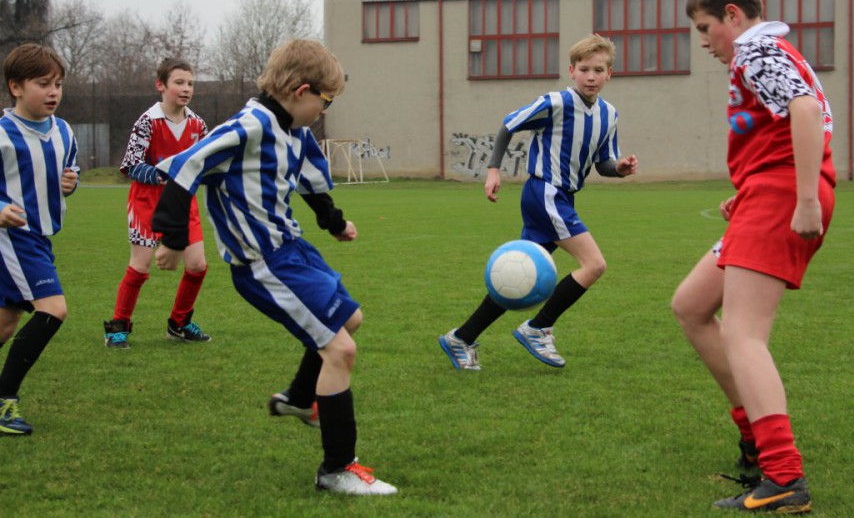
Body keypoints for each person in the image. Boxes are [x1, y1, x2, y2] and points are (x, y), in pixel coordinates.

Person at [151, 39, 396, 496]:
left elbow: (312, 180)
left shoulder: (294, 132)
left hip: (293, 249)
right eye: (325, 101)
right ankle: (337, 469)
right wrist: (172, 239)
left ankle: (300, 400)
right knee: (339, 351)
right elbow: (187, 165)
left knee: (350, 319)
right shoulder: (248, 127)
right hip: (263, 264)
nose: (324, 111)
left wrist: (334, 221)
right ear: (301, 91)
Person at [673, 0, 835, 513]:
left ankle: (784, 475)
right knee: (692, 305)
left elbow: (808, 113)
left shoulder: (755, 52)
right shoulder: (770, 52)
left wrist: (805, 197)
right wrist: (749, 193)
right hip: (769, 193)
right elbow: (789, 122)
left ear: (733, 17)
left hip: (785, 196)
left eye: (704, 28)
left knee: (744, 334)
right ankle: (752, 440)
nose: (703, 42)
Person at [439, 33, 638, 371]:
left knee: (523, 276)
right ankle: (538, 327)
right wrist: (492, 170)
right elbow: (508, 124)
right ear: (571, 71)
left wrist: (619, 168)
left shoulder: (609, 115)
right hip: (545, 193)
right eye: (585, 69)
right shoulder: (554, 103)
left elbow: (604, 163)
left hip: (563, 198)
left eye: (599, 70)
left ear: (610, 74)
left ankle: (462, 336)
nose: (591, 76)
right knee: (595, 265)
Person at [103, 58, 211, 349]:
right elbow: (129, 166)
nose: (186, 88)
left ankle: (179, 323)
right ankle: (118, 327)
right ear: (160, 85)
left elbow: (204, 164)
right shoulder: (147, 122)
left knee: (198, 265)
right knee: (140, 266)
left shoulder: (198, 124)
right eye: (179, 82)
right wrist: (162, 174)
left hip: (183, 202)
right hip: (146, 202)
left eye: (190, 83)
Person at [0, 44, 80, 436]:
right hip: (14, 238)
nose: (53, 92)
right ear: (16, 87)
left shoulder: (64, 131)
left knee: (5, 323)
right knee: (53, 309)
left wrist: (71, 183)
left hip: (42, 238)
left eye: (59, 84)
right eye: (43, 83)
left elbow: (68, 175)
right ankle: (4, 401)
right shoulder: (1, 134)